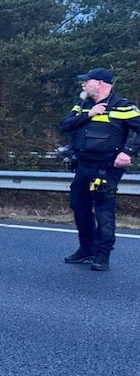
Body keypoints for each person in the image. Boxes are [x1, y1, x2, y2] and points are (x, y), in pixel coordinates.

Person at [58, 67, 140, 271]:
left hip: (106, 169)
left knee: (104, 211)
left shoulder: (123, 107)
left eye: (87, 81)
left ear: (101, 84)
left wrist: (128, 153)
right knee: (80, 208)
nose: (83, 84)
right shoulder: (83, 105)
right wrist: (89, 114)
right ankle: (87, 249)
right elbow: (65, 125)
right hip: (82, 166)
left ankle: (102, 255)